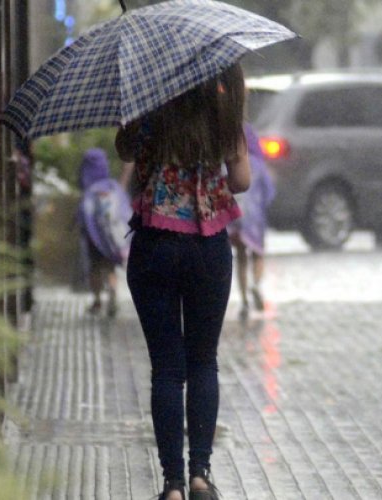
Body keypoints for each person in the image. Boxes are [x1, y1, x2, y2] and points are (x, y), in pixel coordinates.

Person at [116, 62, 250, 500]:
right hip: (206, 246)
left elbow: (125, 152)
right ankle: (199, 473)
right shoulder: (222, 109)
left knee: (167, 369)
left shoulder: (149, 109)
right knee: (203, 361)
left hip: (154, 245)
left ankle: (172, 483)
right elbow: (242, 181)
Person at [227, 123, 276, 321]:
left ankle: (245, 300)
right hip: (255, 221)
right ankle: (256, 284)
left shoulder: (231, 164)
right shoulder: (260, 167)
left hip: (235, 218)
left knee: (240, 256)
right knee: (257, 254)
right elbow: (269, 194)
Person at [77, 148, 124, 317]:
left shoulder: (89, 190)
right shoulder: (112, 186)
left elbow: (83, 215)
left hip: (93, 238)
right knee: (110, 268)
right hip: (111, 238)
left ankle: (97, 301)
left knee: (95, 269)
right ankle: (113, 296)